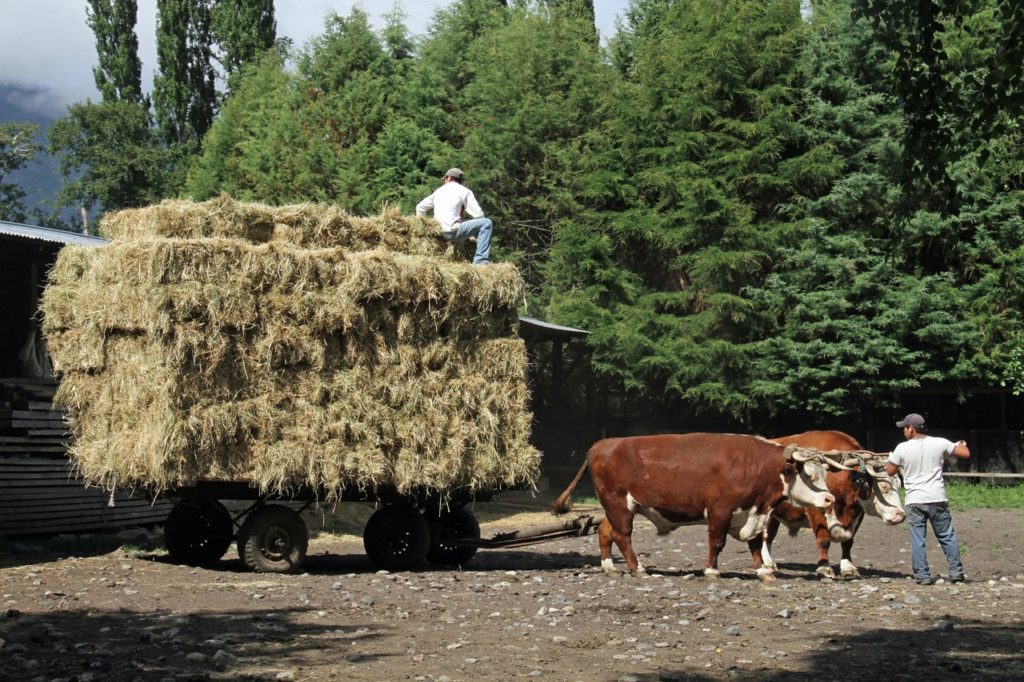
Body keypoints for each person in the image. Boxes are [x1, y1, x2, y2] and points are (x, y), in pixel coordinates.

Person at [885, 413, 970, 585]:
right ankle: (956, 572)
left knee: (918, 539)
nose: (903, 431)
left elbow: (890, 471)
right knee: (947, 536)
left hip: (915, 500)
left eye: (905, 428)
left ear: (911, 429)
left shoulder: (902, 448)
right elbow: (965, 454)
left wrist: (893, 460)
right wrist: (961, 444)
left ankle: (923, 576)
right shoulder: (940, 442)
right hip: (937, 497)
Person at [415, 168, 493, 265]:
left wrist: (425, 230)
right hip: (452, 232)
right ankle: (480, 262)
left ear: (449, 177)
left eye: (445, 179)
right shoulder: (465, 191)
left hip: (437, 233)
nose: (444, 181)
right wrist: (473, 233)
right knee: (487, 223)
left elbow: (420, 208)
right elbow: (479, 215)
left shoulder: (438, 191)